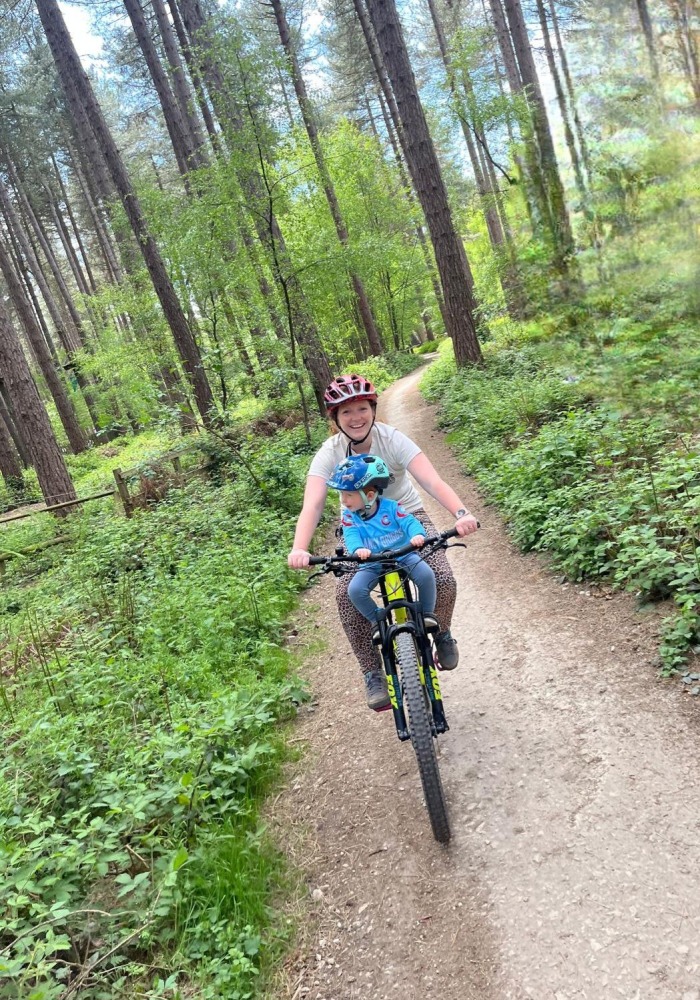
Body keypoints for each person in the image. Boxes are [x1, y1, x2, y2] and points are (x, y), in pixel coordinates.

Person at [288, 372, 478, 711]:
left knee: (442, 576)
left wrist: (461, 512)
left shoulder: (393, 439)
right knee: (347, 596)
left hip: (407, 518)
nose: (355, 417)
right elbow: (313, 504)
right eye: (345, 412)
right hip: (358, 529)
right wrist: (299, 548)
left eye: (361, 408)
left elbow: (431, 481)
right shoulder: (329, 453)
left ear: (373, 409)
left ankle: (442, 632)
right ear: (334, 419)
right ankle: (372, 672)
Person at [326, 455, 438, 687]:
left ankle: (427, 615)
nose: (344, 500)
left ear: (369, 495)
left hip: (403, 553)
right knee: (355, 589)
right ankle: (378, 621)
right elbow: (351, 536)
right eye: (342, 495)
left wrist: (417, 535)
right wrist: (358, 550)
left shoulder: (391, 508)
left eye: (348, 494)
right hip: (373, 560)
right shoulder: (350, 517)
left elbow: (409, 522)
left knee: (426, 575)